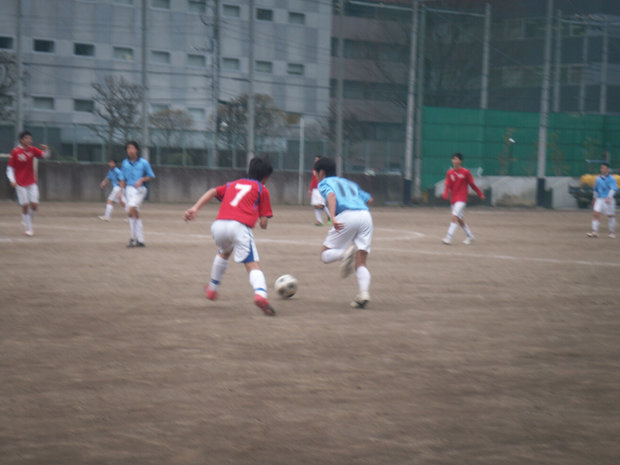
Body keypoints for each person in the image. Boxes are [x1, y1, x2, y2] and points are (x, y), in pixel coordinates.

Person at [184, 157, 276, 316]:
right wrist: (263, 222)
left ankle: (212, 289)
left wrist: (195, 208)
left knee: (224, 252)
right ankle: (261, 295)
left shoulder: (233, 184)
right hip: (239, 227)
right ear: (266, 177)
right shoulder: (262, 189)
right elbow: (263, 222)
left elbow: (213, 191)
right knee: (252, 265)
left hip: (219, 225)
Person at [314, 157, 374, 309]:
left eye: (316, 172)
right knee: (361, 261)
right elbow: (370, 199)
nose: (316, 175)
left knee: (325, 254)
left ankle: (344, 254)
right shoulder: (349, 183)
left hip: (346, 215)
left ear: (322, 172)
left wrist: (332, 217)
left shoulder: (324, 183)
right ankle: (364, 293)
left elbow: (331, 195)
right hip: (365, 215)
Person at [6, 130, 50, 236]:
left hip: (31, 182)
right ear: (21, 140)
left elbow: (45, 155)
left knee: (34, 206)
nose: (30, 140)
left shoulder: (32, 150)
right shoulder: (15, 152)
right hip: (20, 183)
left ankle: (26, 220)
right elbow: (10, 168)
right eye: (27, 138)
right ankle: (29, 229)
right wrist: (12, 180)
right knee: (25, 205)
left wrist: (47, 149)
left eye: (30, 138)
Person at [441, 153, 485, 245]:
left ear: (460, 161)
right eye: (453, 159)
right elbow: (448, 185)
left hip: (461, 198)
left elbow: (472, 184)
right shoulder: (450, 173)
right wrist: (445, 194)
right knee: (459, 219)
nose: (454, 161)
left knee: (454, 216)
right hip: (453, 199)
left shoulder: (465, 172)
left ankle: (448, 237)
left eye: (456, 159)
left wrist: (480, 194)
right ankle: (470, 236)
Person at [118, 141, 156, 247]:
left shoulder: (144, 162)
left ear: (137, 150)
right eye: (128, 148)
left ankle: (133, 238)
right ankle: (140, 239)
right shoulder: (125, 163)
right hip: (128, 189)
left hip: (140, 189)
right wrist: (121, 192)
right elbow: (122, 178)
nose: (130, 150)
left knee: (131, 209)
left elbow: (151, 176)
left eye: (132, 148)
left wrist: (142, 179)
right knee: (134, 213)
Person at [586, 162, 617, 238]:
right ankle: (594, 232)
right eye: (601, 168)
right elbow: (595, 190)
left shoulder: (611, 178)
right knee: (596, 214)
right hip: (599, 199)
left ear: (608, 169)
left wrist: (609, 197)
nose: (602, 169)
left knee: (610, 216)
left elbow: (613, 189)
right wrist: (594, 199)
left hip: (608, 200)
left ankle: (611, 232)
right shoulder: (598, 178)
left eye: (604, 168)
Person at [308, 156, 331, 226]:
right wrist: (310, 189)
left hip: (321, 188)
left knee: (321, 205)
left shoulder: (324, 169)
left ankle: (330, 216)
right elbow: (313, 179)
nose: (316, 161)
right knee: (315, 205)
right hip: (315, 189)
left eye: (317, 160)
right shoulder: (314, 169)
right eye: (315, 160)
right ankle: (319, 221)